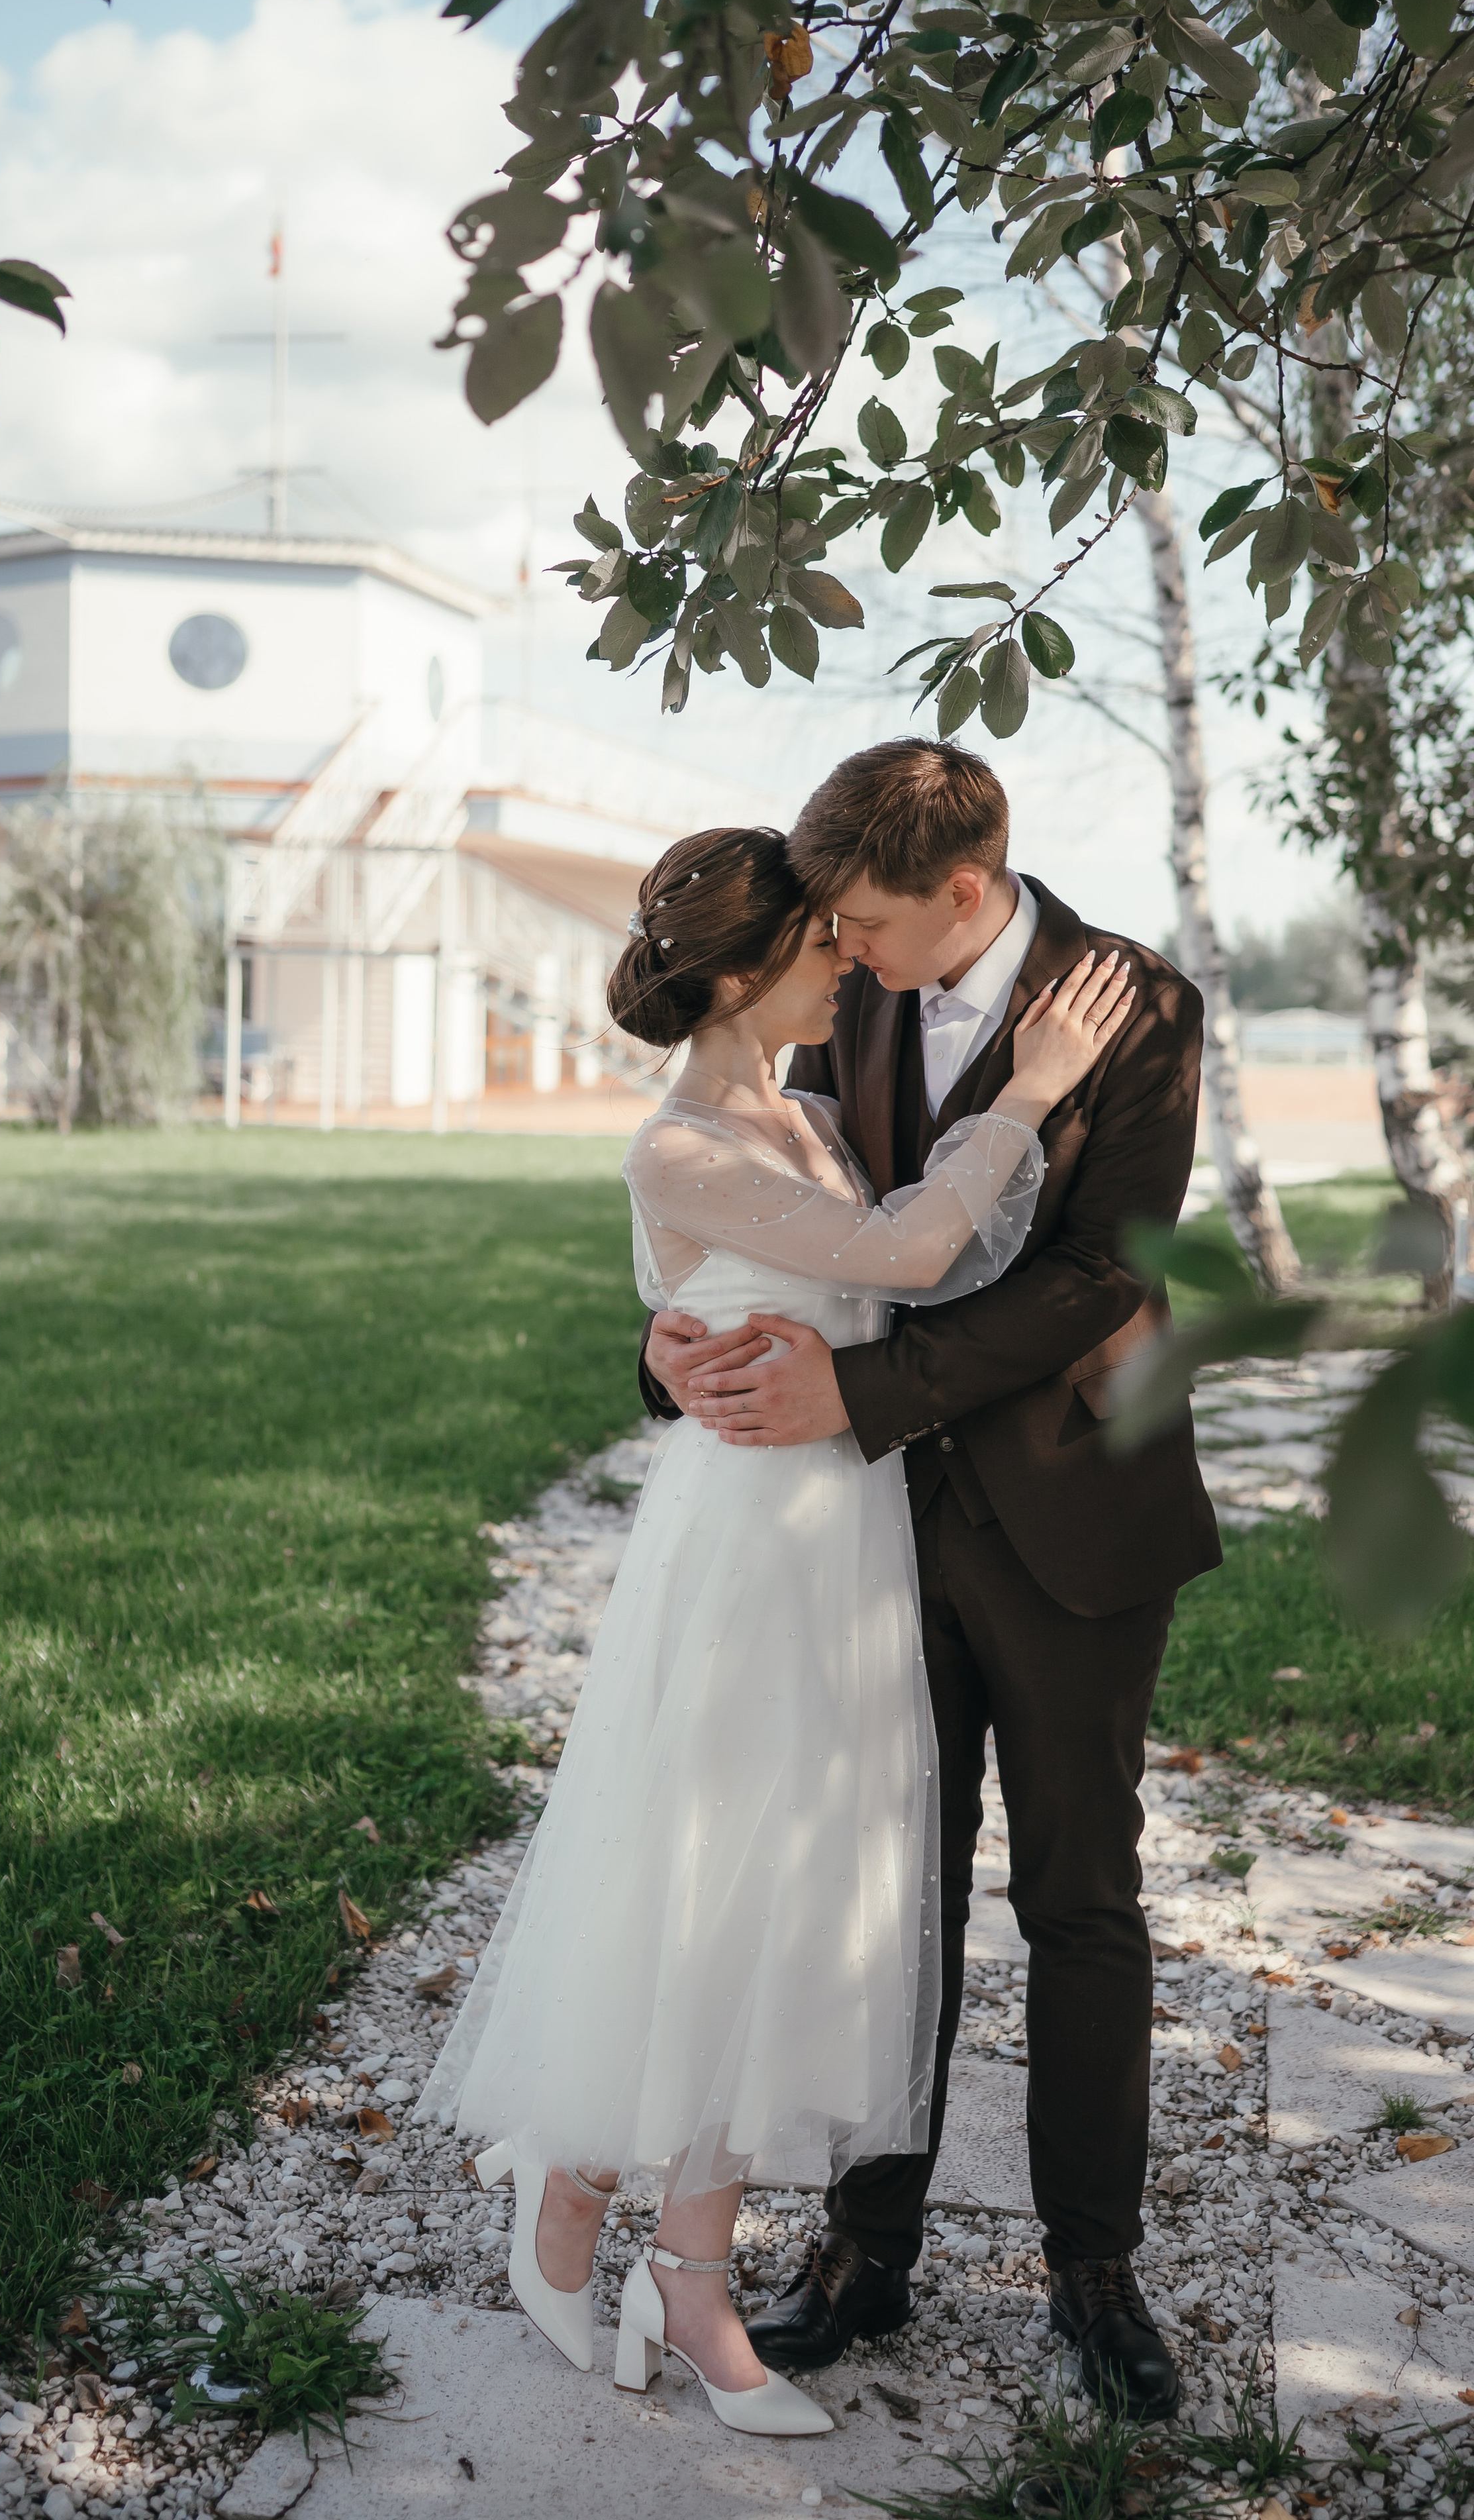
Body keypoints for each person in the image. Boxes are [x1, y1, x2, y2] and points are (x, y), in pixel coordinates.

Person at [416, 821, 1132, 2439]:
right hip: (742, 1557)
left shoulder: (812, 1115)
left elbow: (888, 1284)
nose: (846, 961)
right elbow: (900, 1251)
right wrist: (1026, 1092)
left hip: (845, 1545)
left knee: (794, 1904)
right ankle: (660, 2256)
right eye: (819, 941)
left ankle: (632, 2217)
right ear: (743, 973)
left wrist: (694, 1339)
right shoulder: (672, 1149)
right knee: (710, 1902)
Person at [641, 740, 1221, 2422]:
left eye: (875, 919)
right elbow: (772, 1226)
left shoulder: (1137, 1005)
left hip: (1067, 1518)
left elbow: (1102, 1274)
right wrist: (671, 1348)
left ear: (962, 889)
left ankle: (1091, 2269)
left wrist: (864, 1394)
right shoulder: (847, 995)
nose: (848, 948)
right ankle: (861, 2246)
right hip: (866, 1534)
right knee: (886, 1902)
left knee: (1077, 1899)